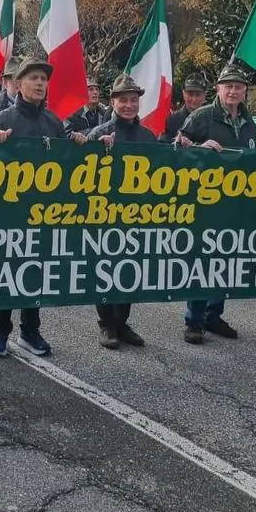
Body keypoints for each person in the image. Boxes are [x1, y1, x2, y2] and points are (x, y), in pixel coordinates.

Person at [177, 64, 256, 346]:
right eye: (228, 86)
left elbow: (250, 161)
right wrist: (197, 147)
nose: (233, 91)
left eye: (238, 87)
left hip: (235, 205)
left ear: (244, 92)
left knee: (225, 260)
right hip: (204, 204)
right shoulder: (202, 116)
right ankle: (193, 319)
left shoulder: (249, 123)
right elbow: (174, 147)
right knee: (203, 261)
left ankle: (213, 315)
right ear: (218, 89)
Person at [0, 55, 65, 358]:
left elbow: (68, 164)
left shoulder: (54, 122)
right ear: (18, 84)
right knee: (7, 272)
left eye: (43, 79)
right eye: (33, 78)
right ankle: (0, 332)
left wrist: (80, 141)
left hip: (44, 213)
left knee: (35, 272)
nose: (40, 83)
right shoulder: (1, 118)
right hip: (8, 212)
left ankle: (31, 331)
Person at [86, 73, 157, 350]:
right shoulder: (99, 132)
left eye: (133, 100)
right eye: (123, 100)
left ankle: (122, 322)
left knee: (129, 269)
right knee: (105, 268)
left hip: (136, 214)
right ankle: (106, 324)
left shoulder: (148, 136)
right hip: (104, 214)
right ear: (113, 102)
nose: (129, 105)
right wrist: (97, 147)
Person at [162, 74, 209, 142]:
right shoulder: (172, 121)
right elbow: (166, 147)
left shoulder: (211, 120)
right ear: (183, 94)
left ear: (204, 95)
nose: (194, 99)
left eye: (198, 95)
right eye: (190, 94)